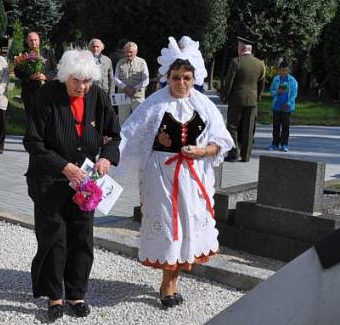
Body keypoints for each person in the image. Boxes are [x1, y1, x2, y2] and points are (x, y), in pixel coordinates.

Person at [119, 42, 233, 308]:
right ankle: (167, 285)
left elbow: (222, 141)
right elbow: (129, 134)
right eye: (176, 78)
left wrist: (203, 151)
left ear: (195, 79)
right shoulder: (155, 104)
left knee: (186, 226)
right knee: (169, 227)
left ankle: (173, 281)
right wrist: (105, 157)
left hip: (191, 177)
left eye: (186, 78)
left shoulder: (203, 104)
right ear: (166, 78)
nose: (181, 83)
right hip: (160, 177)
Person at [23, 50, 121, 321]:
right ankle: (54, 296)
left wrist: (106, 158)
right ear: (66, 76)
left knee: (81, 236)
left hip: (85, 183)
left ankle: (76, 293)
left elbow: (113, 135)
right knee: (54, 237)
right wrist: (63, 166)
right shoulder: (46, 96)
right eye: (77, 80)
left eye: (88, 81)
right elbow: (33, 142)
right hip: (50, 180)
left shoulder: (98, 97)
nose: (82, 86)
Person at [220, 37, 265, 162]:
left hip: (236, 100)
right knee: (248, 128)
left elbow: (229, 81)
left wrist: (224, 96)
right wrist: (258, 97)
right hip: (252, 100)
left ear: (241, 48)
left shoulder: (236, 61)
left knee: (232, 126)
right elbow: (261, 84)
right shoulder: (259, 64)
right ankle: (246, 156)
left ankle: (233, 153)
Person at [18, 31, 57, 109]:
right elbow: (17, 72)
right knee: (31, 118)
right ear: (27, 42)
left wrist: (46, 76)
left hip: (47, 91)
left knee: (46, 117)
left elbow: (56, 69)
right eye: (31, 40)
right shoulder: (23, 54)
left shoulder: (48, 53)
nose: (33, 42)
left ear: (39, 40)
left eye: (35, 40)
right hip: (29, 92)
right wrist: (29, 76)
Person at [113, 41, 149, 124]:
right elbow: (115, 78)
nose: (128, 54)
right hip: (123, 96)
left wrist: (135, 89)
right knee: (123, 121)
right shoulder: (120, 62)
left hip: (137, 97)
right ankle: (124, 137)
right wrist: (125, 87)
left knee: (139, 121)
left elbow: (146, 79)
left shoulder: (142, 62)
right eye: (126, 52)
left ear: (136, 52)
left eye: (131, 52)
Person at [267, 60, 299, 152]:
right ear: (279, 70)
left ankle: (284, 144)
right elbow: (271, 91)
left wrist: (288, 103)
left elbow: (294, 94)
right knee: (276, 126)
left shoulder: (292, 80)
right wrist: (277, 92)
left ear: (288, 70)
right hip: (277, 106)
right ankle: (275, 144)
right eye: (282, 70)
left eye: (286, 70)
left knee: (285, 126)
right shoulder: (276, 79)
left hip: (287, 107)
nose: (284, 72)